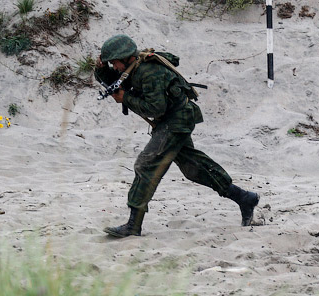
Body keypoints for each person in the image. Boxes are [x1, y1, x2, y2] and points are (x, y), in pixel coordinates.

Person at [95, 34, 260, 237]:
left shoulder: (149, 71)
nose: (115, 67)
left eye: (115, 63)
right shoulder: (134, 66)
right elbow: (117, 80)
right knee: (194, 167)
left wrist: (125, 98)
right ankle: (244, 198)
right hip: (173, 120)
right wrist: (101, 70)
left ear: (126, 57)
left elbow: (155, 108)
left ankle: (133, 225)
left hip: (176, 121)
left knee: (146, 165)